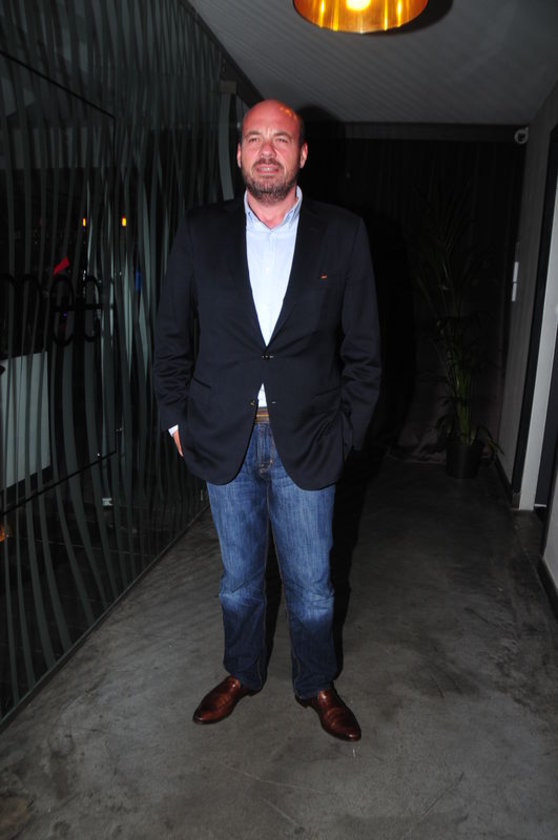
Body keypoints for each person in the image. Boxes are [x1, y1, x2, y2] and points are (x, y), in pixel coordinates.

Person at [154, 99, 381, 741]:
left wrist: (346, 437)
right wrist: (176, 421)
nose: (267, 150)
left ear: (302, 154)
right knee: (238, 581)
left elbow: (365, 352)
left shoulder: (343, 233)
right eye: (254, 138)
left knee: (312, 585)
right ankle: (242, 671)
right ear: (238, 153)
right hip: (220, 435)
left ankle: (316, 682)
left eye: (281, 139)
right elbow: (170, 336)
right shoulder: (200, 230)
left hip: (309, 438)